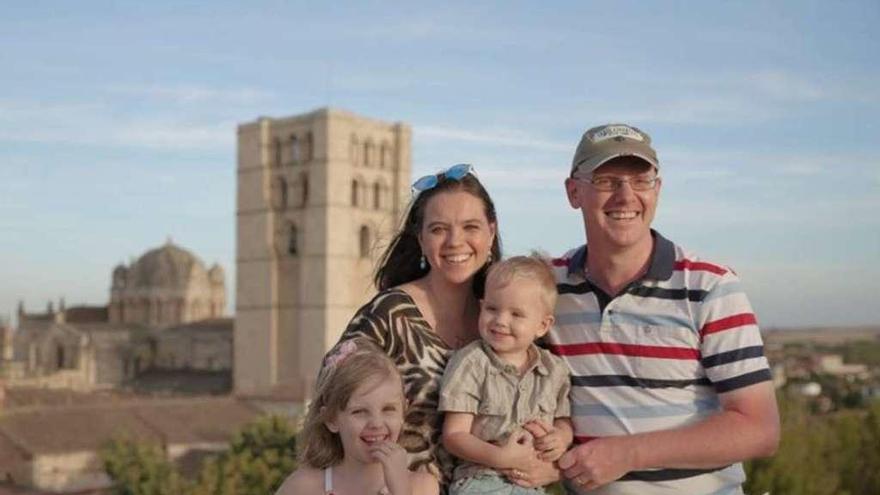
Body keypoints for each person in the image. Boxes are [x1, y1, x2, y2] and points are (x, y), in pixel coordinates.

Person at [535, 123, 780, 494]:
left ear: (658, 190)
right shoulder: (545, 288)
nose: (625, 195)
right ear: (573, 192)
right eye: (606, 181)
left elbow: (759, 430)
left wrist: (629, 453)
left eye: (641, 180)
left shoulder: (709, 286)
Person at [325, 163, 502, 492]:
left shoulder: (504, 319)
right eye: (438, 229)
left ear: (491, 232)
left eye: (470, 226)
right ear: (420, 240)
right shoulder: (389, 315)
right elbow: (331, 401)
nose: (455, 241)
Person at [440, 255, 572, 494]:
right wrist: (501, 458)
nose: (501, 320)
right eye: (492, 308)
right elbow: (454, 435)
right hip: (481, 481)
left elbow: (563, 419)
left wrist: (560, 438)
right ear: (481, 307)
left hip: (532, 486)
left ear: (542, 325)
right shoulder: (471, 362)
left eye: (516, 314)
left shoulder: (554, 371)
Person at [275, 340, 438, 495]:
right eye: (359, 412)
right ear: (331, 419)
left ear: (403, 412)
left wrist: (400, 489)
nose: (376, 423)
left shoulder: (422, 486)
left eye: (388, 409)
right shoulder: (303, 486)